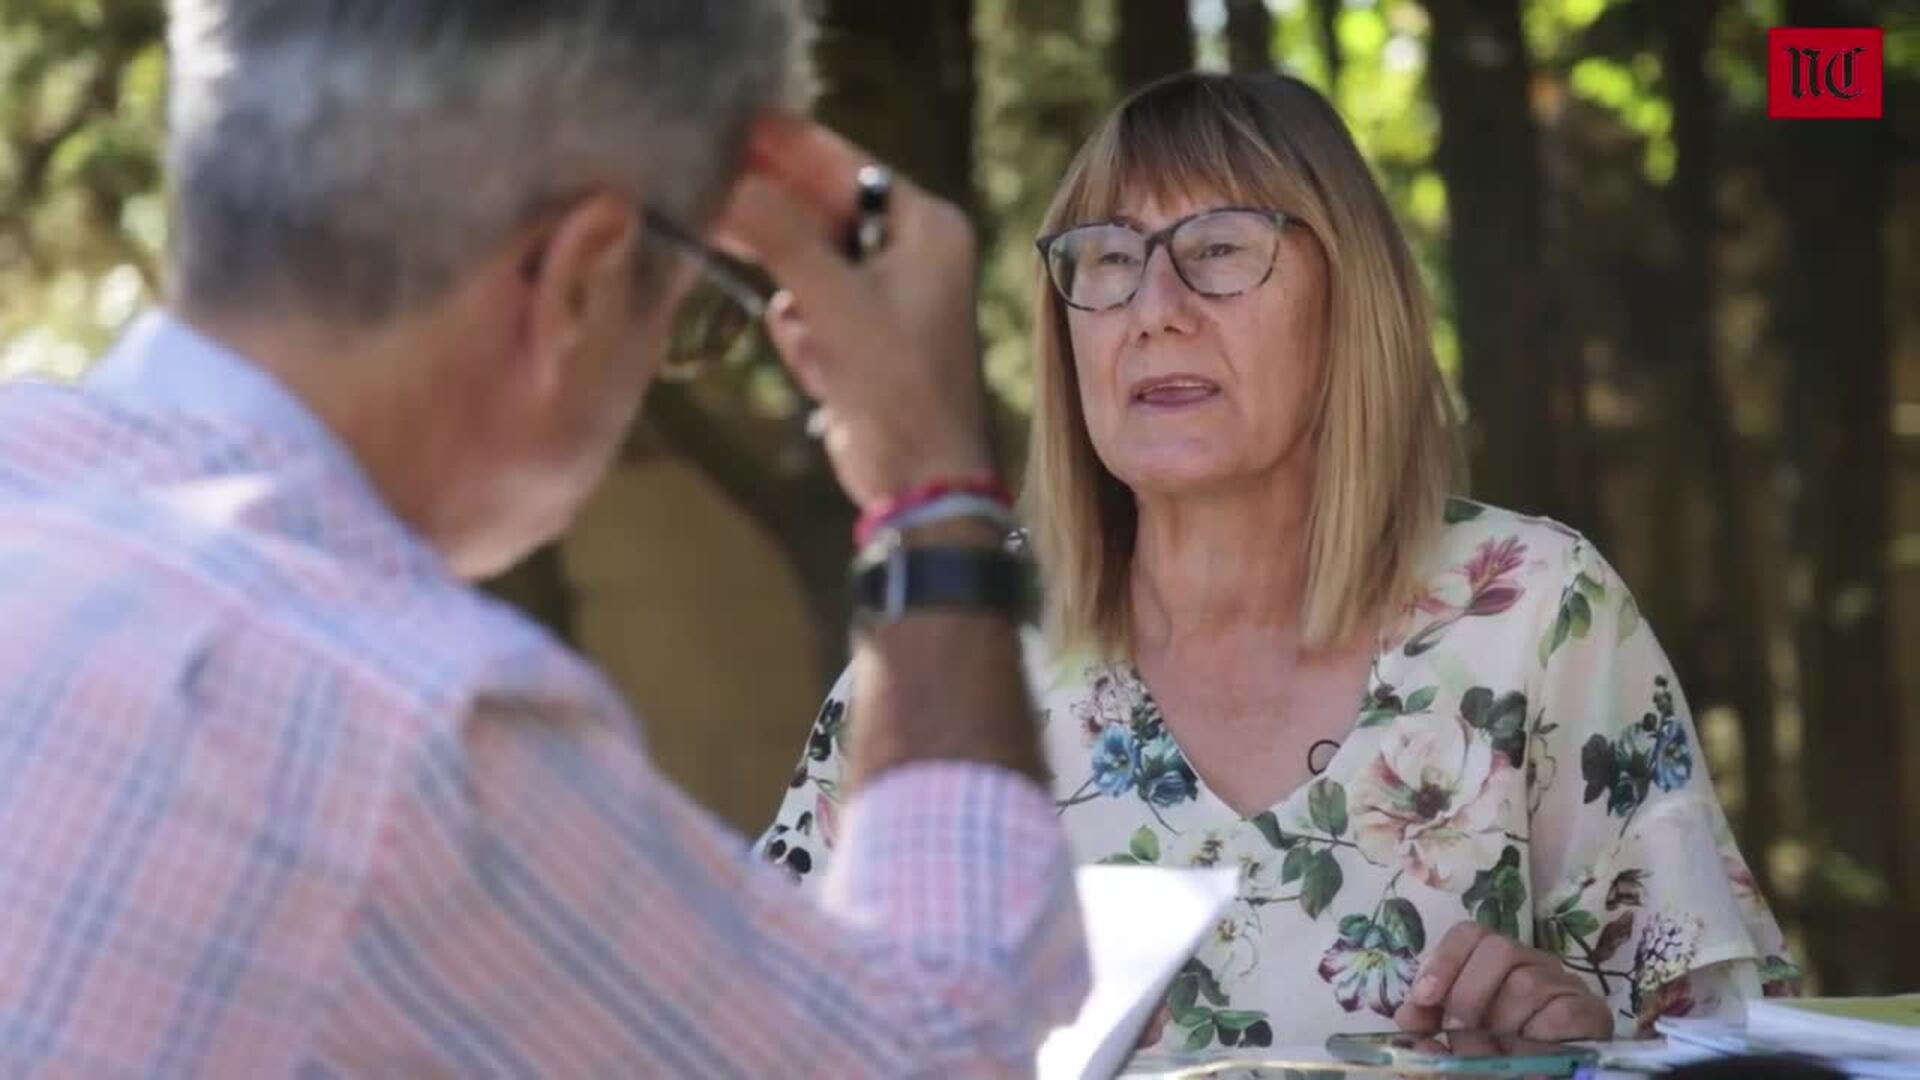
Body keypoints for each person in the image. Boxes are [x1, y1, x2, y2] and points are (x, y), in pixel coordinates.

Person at [0, 2, 1086, 1074]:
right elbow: (939, 1057)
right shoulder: (408, 728)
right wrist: (934, 498)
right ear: (583, 275)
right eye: (699, 304)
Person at [760, 71, 1798, 1054]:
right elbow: (768, 1032)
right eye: (1110, 259)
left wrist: (1580, 1043)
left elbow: (1731, 1049)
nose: (1153, 307)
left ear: (1349, 300)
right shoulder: (959, 636)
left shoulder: (1534, 613)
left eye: (1217, 249)